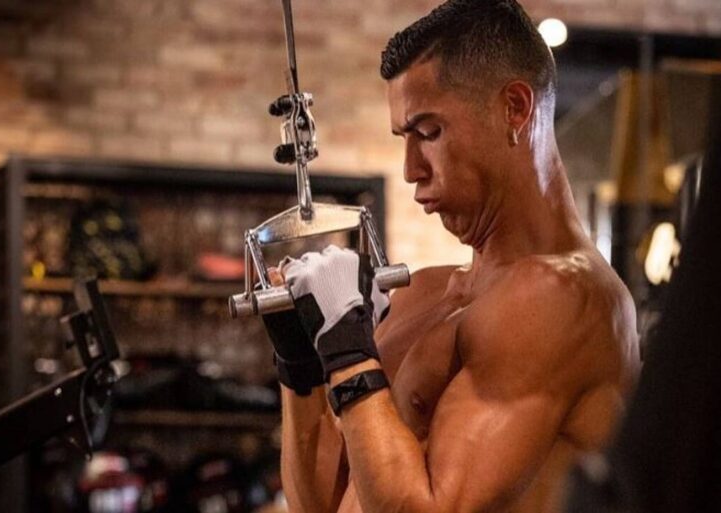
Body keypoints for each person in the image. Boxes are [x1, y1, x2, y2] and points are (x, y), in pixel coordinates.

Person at [262, 1, 640, 512]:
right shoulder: (424, 290)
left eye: (429, 133)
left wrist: (350, 352)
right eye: (404, 138)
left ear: (514, 109)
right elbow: (321, 504)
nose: (410, 170)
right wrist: (302, 364)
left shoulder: (560, 295)